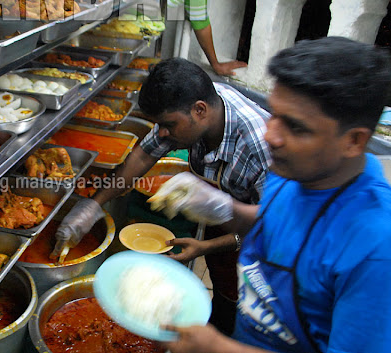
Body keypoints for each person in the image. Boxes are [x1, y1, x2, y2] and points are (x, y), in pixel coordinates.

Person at [157, 37, 391, 353]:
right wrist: (227, 209)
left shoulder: (375, 249)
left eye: (295, 127)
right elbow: (278, 223)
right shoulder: (300, 172)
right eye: (274, 113)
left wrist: (218, 348)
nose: (270, 135)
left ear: (354, 141)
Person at [53, 57, 271, 335]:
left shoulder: (259, 147)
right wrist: (94, 204)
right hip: (232, 235)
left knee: (242, 321)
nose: (163, 133)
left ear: (200, 110)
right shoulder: (195, 108)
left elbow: (275, 231)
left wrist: (210, 246)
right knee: (222, 307)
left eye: (168, 125)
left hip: (264, 255)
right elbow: (143, 155)